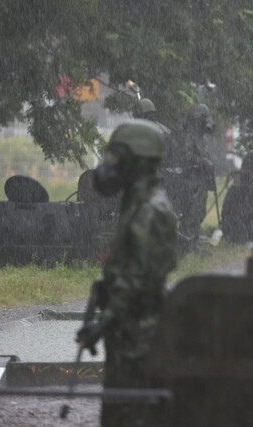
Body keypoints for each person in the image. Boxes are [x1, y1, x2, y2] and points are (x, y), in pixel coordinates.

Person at [76, 120, 177, 427]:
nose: (110, 165)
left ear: (137, 161)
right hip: (129, 332)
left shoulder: (150, 211)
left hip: (140, 338)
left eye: (116, 157)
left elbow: (138, 283)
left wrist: (102, 325)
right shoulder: (137, 204)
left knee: (131, 415)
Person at [160, 103, 215, 253]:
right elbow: (186, 157)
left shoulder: (201, 138)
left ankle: (193, 243)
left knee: (198, 213)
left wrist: (207, 164)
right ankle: (186, 245)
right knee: (190, 213)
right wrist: (202, 162)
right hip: (188, 181)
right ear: (197, 119)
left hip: (199, 181)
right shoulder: (188, 136)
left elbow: (203, 155)